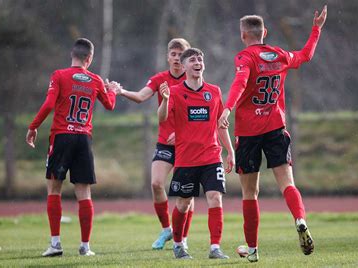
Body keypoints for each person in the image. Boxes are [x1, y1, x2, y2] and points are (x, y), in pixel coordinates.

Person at [218, 6, 328, 262]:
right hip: (276, 129)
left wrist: (227, 109)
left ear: (243, 35)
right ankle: (300, 219)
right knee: (287, 183)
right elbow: (306, 56)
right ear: (264, 32)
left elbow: (240, 82)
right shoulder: (279, 55)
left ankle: (253, 250)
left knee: (250, 193)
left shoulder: (245, 58)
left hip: (248, 133)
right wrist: (316, 29)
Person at [26, 38, 122, 257]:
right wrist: (113, 90)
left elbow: (49, 104)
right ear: (89, 58)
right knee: (84, 193)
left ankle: (55, 244)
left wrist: (33, 127)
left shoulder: (59, 75)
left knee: (54, 189)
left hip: (62, 136)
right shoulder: (96, 79)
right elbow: (109, 105)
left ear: (73, 55)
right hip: (83, 139)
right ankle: (85, 246)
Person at [116, 38, 194, 250]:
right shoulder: (160, 79)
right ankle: (166, 228)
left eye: (181, 54)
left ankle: (183, 238)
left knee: (186, 193)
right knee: (156, 184)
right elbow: (141, 96)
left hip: (188, 144)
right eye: (174, 54)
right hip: (165, 144)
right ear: (168, 56)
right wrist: (122, 92)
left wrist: (182, 132)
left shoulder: (193, 80)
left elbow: (199, 114)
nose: (177, 58)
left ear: (187, 58)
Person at [158, 48, 235, 259]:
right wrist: (164, 100)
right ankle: (178, 244)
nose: (198, 62)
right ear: (183, 67)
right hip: (186, 159)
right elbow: (162, 118)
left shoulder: (214, 91)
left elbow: (221, 125)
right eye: (192, 60)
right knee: (183, 204)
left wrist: (230, 151)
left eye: (200, 59)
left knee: (215, 198)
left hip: (211, 156)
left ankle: (215, 248)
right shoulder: (174, 91)